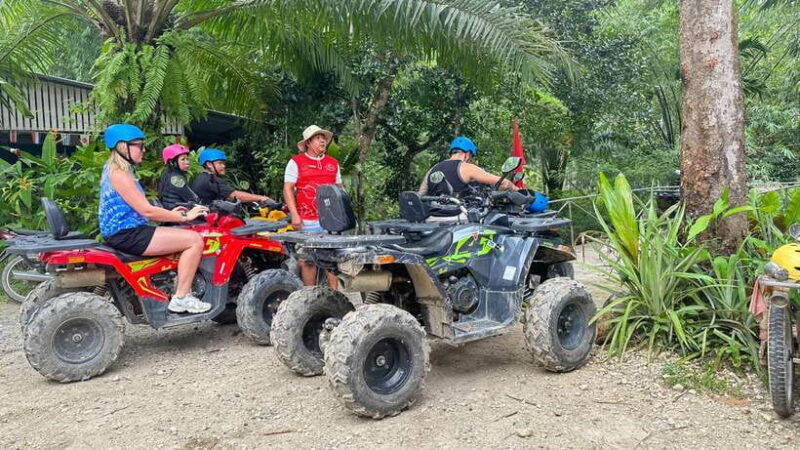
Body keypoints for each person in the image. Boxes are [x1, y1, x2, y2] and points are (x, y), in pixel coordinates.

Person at [98, 124, 211, 314]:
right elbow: (147, 211)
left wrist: (171, 212)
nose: (144, 150)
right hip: (129, 234)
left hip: (126, 231)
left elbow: (140, 207)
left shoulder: (115, 170)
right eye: (139, 145)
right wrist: (184, 216)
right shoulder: (119, 175)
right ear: (123, 147)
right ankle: (182, 298)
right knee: (194, 241)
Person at [283, 125, 342, 286]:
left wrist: (342, 216)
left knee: (332, 260)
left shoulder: (333, 163)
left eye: (324, 138)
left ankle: (335, 296)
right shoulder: (296, 162)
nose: (323, 141)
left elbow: (340, 190)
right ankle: (310, 296)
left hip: (331, 222)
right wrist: (294, 215)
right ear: (308, 142)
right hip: (307, 220)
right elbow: (288, 188)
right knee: (308, 261)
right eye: (318, 138)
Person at [419, 136, 520, 196]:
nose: (470, 160)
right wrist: (518, 190)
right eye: (471, 157)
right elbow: (503, 183)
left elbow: (421, 195)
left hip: (432, 218)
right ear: (467, 154)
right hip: (458, 218)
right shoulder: (467, 168)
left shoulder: (433, 168)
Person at [192, 148, 273, 205]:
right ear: (209, 164)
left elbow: (228, 197)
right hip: (208, 219)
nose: (224, 166)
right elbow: (234, 195)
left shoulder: (202, 177)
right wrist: (262, 198)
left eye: (224, 163)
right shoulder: (212, 179)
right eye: (220, 163)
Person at [157, 144, 200, 210]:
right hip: (177, 212)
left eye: (187, 159)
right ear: (172, 162)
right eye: (183, 159)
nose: (187, 162)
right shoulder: (176, 178)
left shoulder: (167, 173)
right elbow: (193, 198)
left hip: (169, 210)